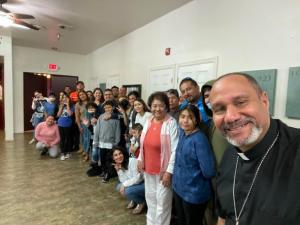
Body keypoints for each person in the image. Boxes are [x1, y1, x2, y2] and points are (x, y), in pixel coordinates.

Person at [209, 73, 300, 225]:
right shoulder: (228, 155)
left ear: (264, 101)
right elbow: (223, 216)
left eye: (241, 102)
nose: (231, 117)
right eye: (219, 109)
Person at [138, 91, 179, 225]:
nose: (157, 109)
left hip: (163, 172)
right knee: (151, 200)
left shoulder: (171, 123)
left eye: (161, 105)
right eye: (154, 105)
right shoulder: (148, 121)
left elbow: (175, 150)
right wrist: (139, 159)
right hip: (148, 169)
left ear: (166, 107)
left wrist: (169, 171)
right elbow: (143, 143)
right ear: (150, 106)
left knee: (163, 204)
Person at [172, 104, 215, 225]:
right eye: (182, 116)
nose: (185, 121)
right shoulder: (182, 133)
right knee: (182, 221)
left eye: (190, 117)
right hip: (179, 189)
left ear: (197, 119)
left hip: (194, 194)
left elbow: (209, 171)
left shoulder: (200, 139)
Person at [112, 146, 146, 214]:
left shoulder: (132, 161)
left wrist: (124, 185)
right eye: (116, 155)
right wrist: (119, 171)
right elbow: (123, 180)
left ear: (123, 153)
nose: (118, 156)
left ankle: (141, 202)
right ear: (113, 158)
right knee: (119, 186)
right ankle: (134, 199)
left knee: (127, 190)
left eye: (120, 153)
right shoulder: (121, 164)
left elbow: (138, 178)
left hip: (144, 183)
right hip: (136, 184)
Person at [93, 100, 121, 183]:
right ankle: (104, 171)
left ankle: (108, 174)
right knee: (102, 159)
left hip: (111, 143)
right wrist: (96, 140)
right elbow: (97, 129)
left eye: (109, 107)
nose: (107, 109)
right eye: (105, 107)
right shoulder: (101, 116)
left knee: (110, 160)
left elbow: (117, 131)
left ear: (112, 108)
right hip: (101, 143)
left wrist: (116, 143)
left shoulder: (115, 118)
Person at [57, 93, 74, 161]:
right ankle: (63, 153)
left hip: (68, 124)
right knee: (62, 139)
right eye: (63, 97)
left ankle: (68, 152)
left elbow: (70, 114)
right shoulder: (60, 105)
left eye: (66, 98)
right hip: (60, 124)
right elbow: (58, 115)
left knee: (68, 138)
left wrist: (67, 105)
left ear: (69, 99)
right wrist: (61, 107)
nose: (64, 99)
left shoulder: (72, 106)